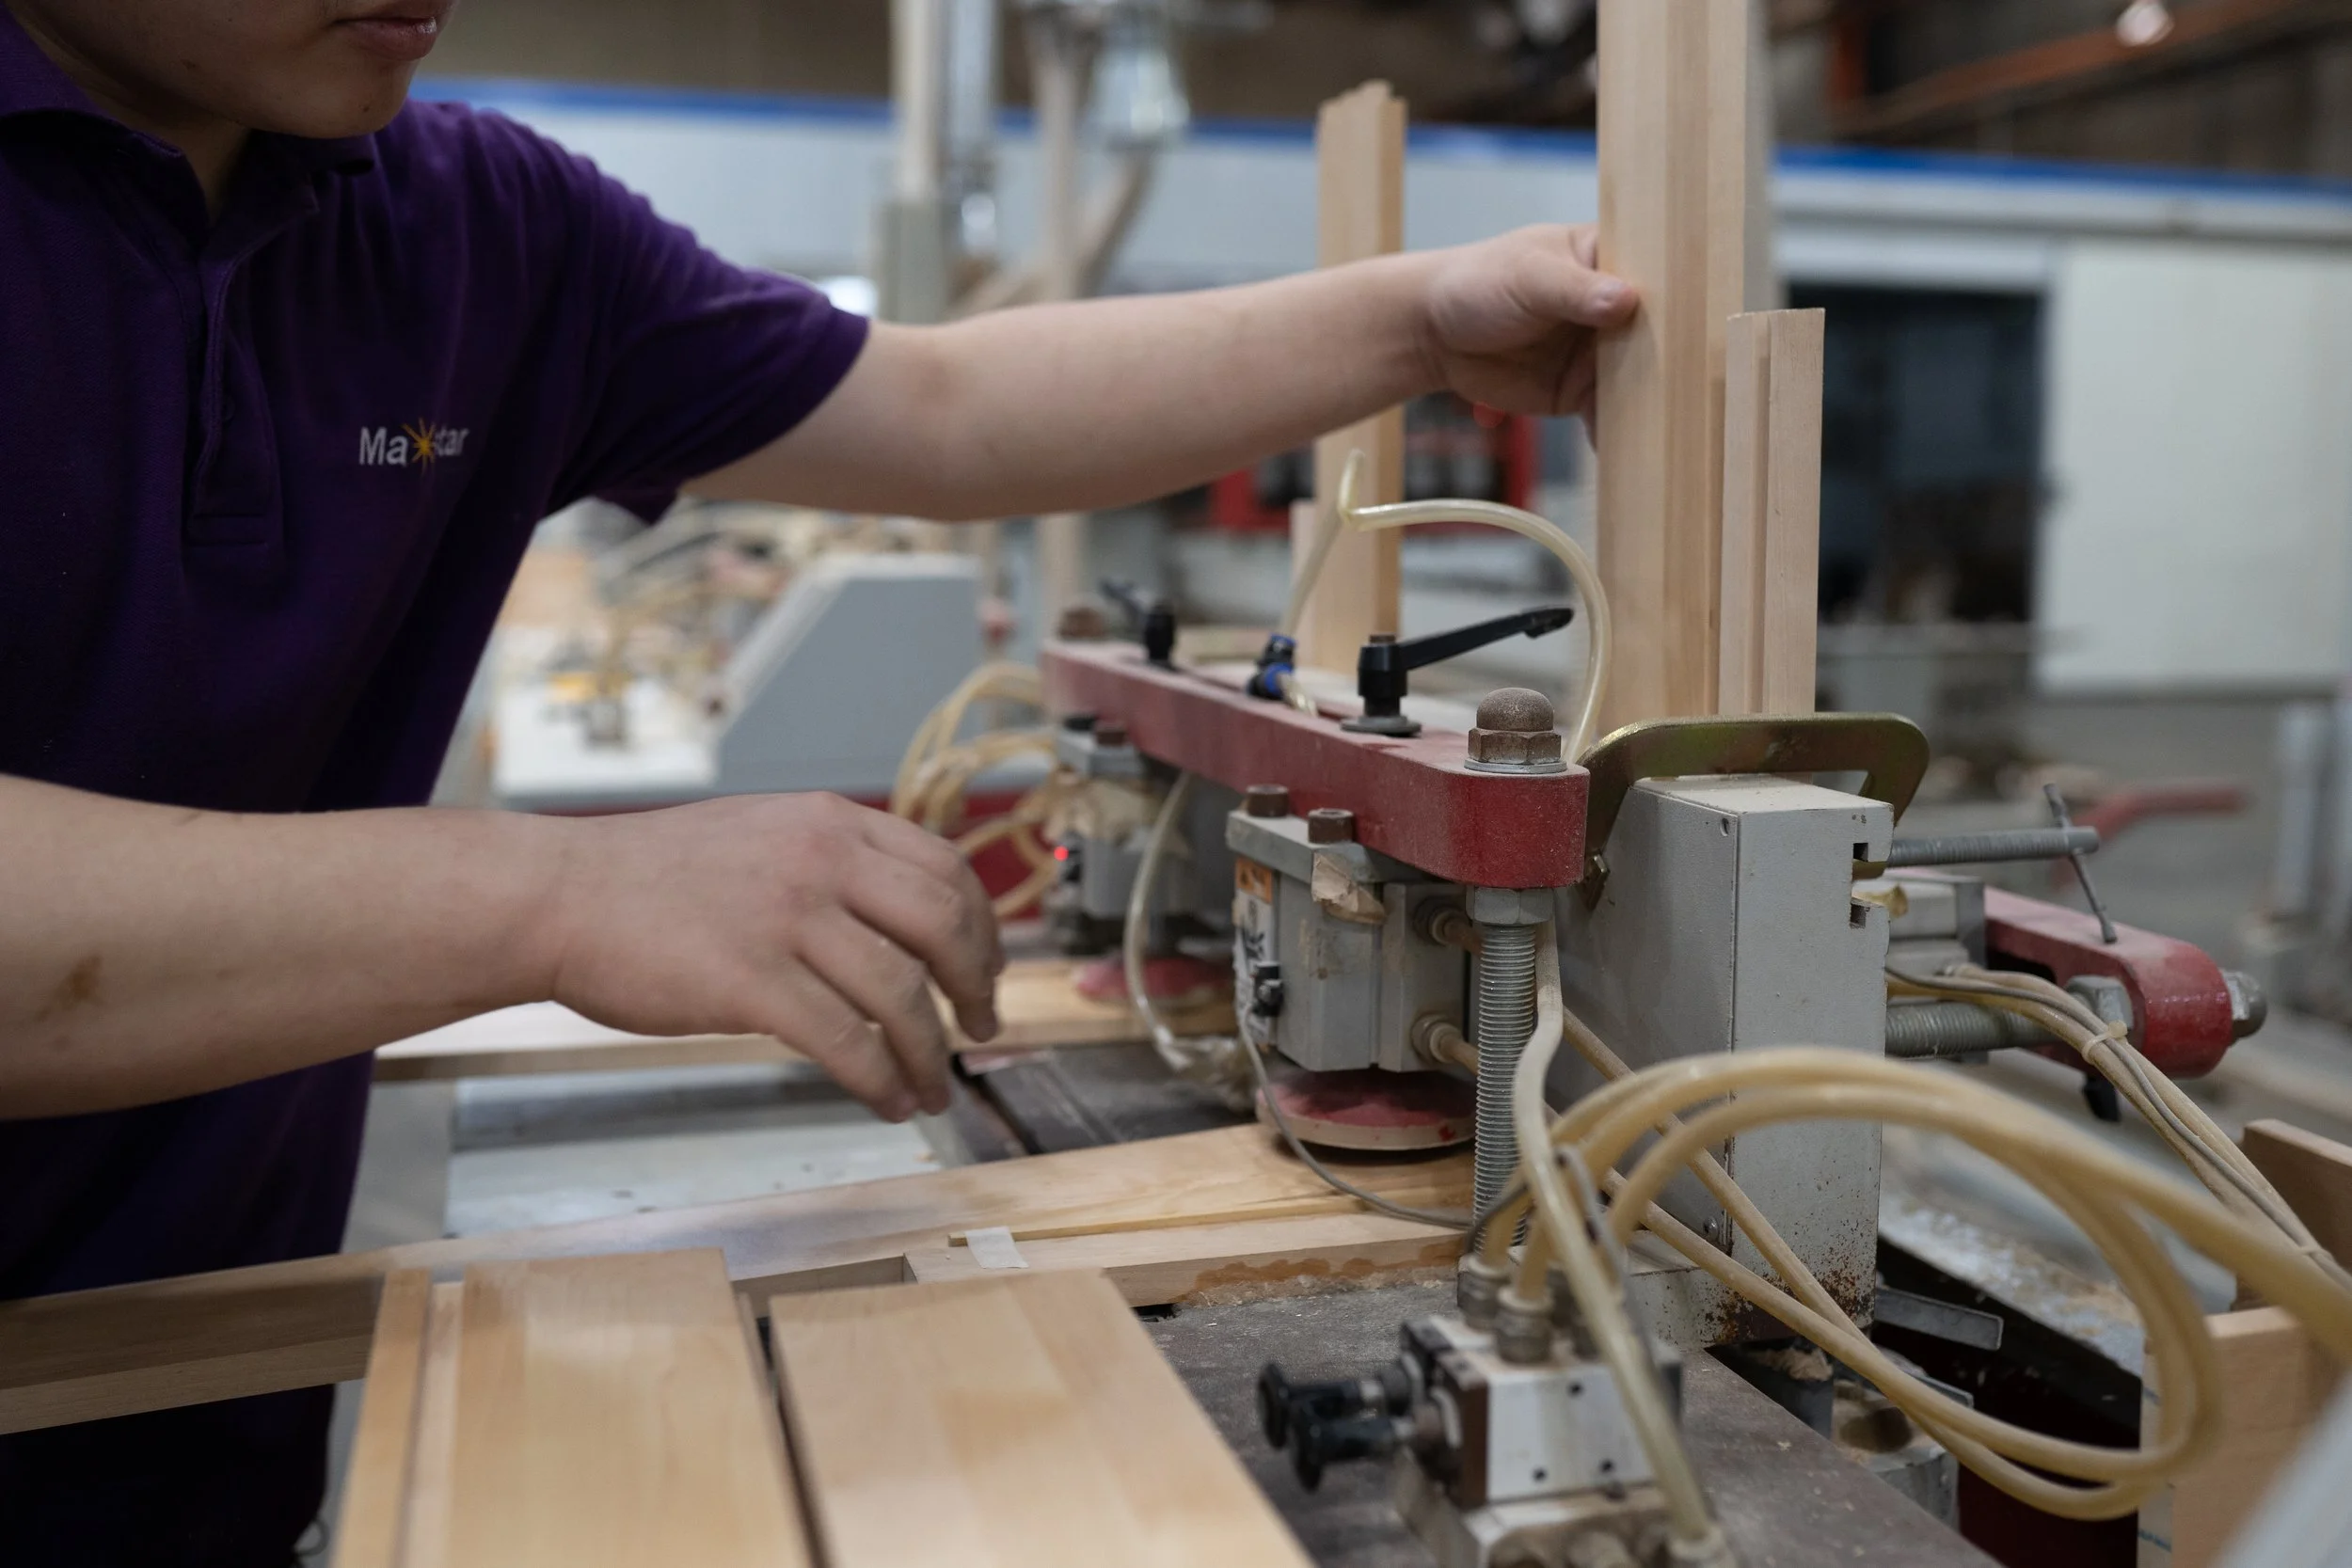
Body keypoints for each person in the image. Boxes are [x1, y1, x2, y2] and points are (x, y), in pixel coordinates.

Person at [0, 0, 1637, 1560]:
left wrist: (1416, 321)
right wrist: (558, 891)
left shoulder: (468, 228)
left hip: (172, 1424)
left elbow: (942, 407)